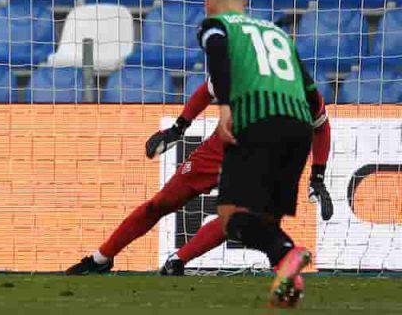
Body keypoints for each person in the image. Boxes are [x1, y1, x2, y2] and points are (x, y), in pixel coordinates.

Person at [65, 78, 331, 277]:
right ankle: (102, 258)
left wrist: (317, 175)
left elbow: (321, 127)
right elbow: (207, 90)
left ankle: (177, 261)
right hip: (217, 151)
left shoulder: (307, 94)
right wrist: (178, 128)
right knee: (160, 204)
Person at [198, 0, 320, 307]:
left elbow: (218, 55)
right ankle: (288, 285)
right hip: (299, 126)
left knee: (230, 217)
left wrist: (224, 107)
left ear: (210, 4)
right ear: (244, 1)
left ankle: (289, 252)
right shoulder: (279, 33)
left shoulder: (216, 25)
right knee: (267, 219)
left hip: (258, 121)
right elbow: (311, 90)